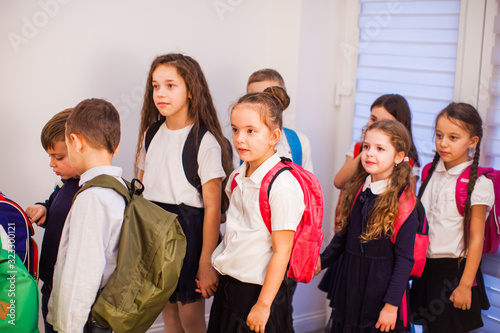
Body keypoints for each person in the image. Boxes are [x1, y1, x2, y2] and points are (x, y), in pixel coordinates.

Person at [135, 53, 232, 333]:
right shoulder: (150, 134)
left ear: (191, 90)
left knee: (190, 320)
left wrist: (206, 263)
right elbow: (141, 191)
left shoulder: (205, 142)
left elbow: (212, 209)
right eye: (155, 86)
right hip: (154, 230)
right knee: (168, 315)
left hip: (188, 235)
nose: (160, 93)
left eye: (170, 85)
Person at [208, 86, 305, 333]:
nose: (240, 138)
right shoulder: (238, 176)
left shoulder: (282, 185)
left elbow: (282, 252)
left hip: (259, 294)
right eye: (236, 129)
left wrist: (263, 305)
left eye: (251, 131)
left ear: (274, 136)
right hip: (230, 289)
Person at [316, 119, 419, 332]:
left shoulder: (405, 204)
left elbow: (404, 260)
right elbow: (342, 238)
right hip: (351, 281)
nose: (370, 153)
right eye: (366, 147)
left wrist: (391, 307)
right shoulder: (359, 189)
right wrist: (320, 261)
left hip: (380, 290)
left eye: (380, 149)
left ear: (399, 157)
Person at [410, 103, 493, 332]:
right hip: (426, 269)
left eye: (453, 137)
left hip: (455, 273)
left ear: (472, 141)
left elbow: (476, 239)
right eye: (439, 135)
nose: (443, 143)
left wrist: (466, 285)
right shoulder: (429, 172)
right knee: (426, 327)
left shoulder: (478, 184)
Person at [46, 98, 124, 333]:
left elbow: (81, 277)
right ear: (116, 145)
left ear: (75, 142)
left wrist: (68, 328)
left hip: (85, 322)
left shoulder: (92, 198)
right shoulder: (120, 187)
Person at [25, 108, 80, 333]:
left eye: (58, 157)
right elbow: (52, 206)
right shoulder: (64, 184)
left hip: (71, 288)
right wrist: (43, 209)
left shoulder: (90, 191)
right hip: (49, 282)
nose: (51, 164)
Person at [334, 94, 420, 189]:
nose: (377, 126)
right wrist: (368, 149)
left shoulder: (409, 162)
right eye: (373, 119)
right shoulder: (358, 148)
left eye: (385, 122)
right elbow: (339, 182)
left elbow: (408, 198)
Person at [247, 68, 314, 172]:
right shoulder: (240, 142)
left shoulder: (300, 143)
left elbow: (308, 186)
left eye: (268, 98)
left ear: (282, 98)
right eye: (253, 99)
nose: (259, 106)